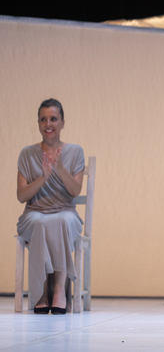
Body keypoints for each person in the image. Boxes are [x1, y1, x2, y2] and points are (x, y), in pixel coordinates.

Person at [17, 99, 85, 315]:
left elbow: (75, 192)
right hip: (34, 213)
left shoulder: (75, 151)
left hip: (66, 212)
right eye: (43, 119)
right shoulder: (27, 154)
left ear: (62, 122)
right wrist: (43, 178)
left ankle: (58, 289)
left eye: (54, 119)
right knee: (39, 221)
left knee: (62, 220)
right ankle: (42, 292)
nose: (49, 124)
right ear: (38, 123)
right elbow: (21, 196)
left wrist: (61, 169)